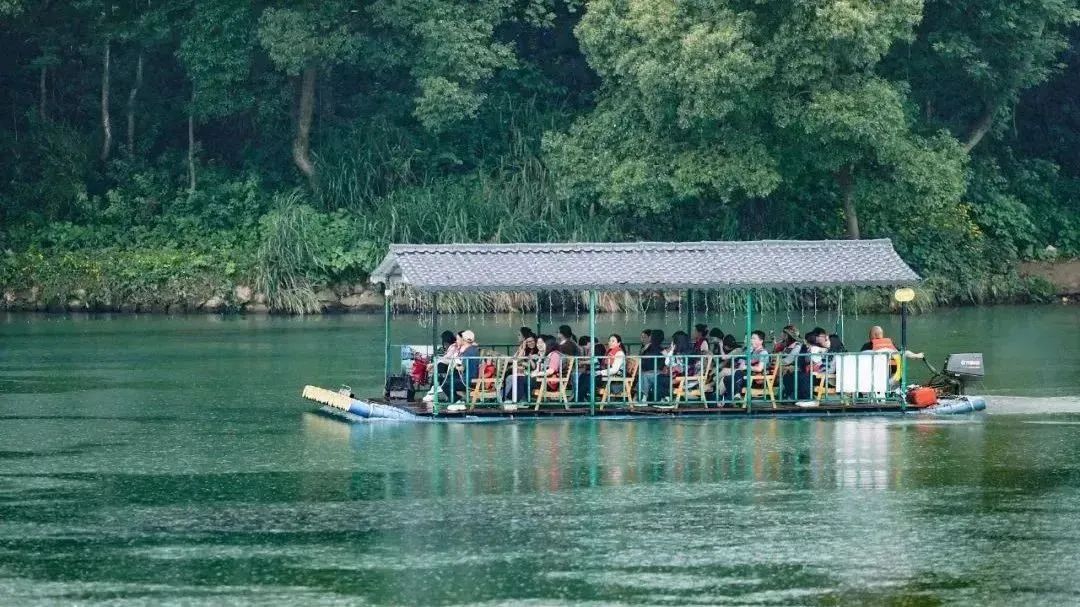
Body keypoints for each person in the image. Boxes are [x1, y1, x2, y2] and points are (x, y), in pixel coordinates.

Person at [441, 330, 479, 403]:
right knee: (448, 379)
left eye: (459, 339)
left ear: (464, 340)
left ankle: (456, 400)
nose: (457, 340)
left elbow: (462, 368)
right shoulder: (472, 349)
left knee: (445, 384)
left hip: (468, 380)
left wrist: (456, 366)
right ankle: (456, 399)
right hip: (470, 377)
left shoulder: (468, 352)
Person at [423, 330, 459, 403]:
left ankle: (433, 390)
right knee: (439, 367)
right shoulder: (452, 347)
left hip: (455, 370)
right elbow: (446, 358)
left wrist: (433, 364)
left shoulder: (453, 347)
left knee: (440, 366)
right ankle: (433, 389)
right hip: (452, 368)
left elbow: (446, 359)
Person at [638, 330, 665, 401]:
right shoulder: (645, 348)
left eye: (650, 336)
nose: (642, 339)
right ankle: (639, 396)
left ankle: (643, 396)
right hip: (652, 371)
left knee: (644, 375)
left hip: (657, 371)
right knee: (642, 374)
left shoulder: (657, 349)